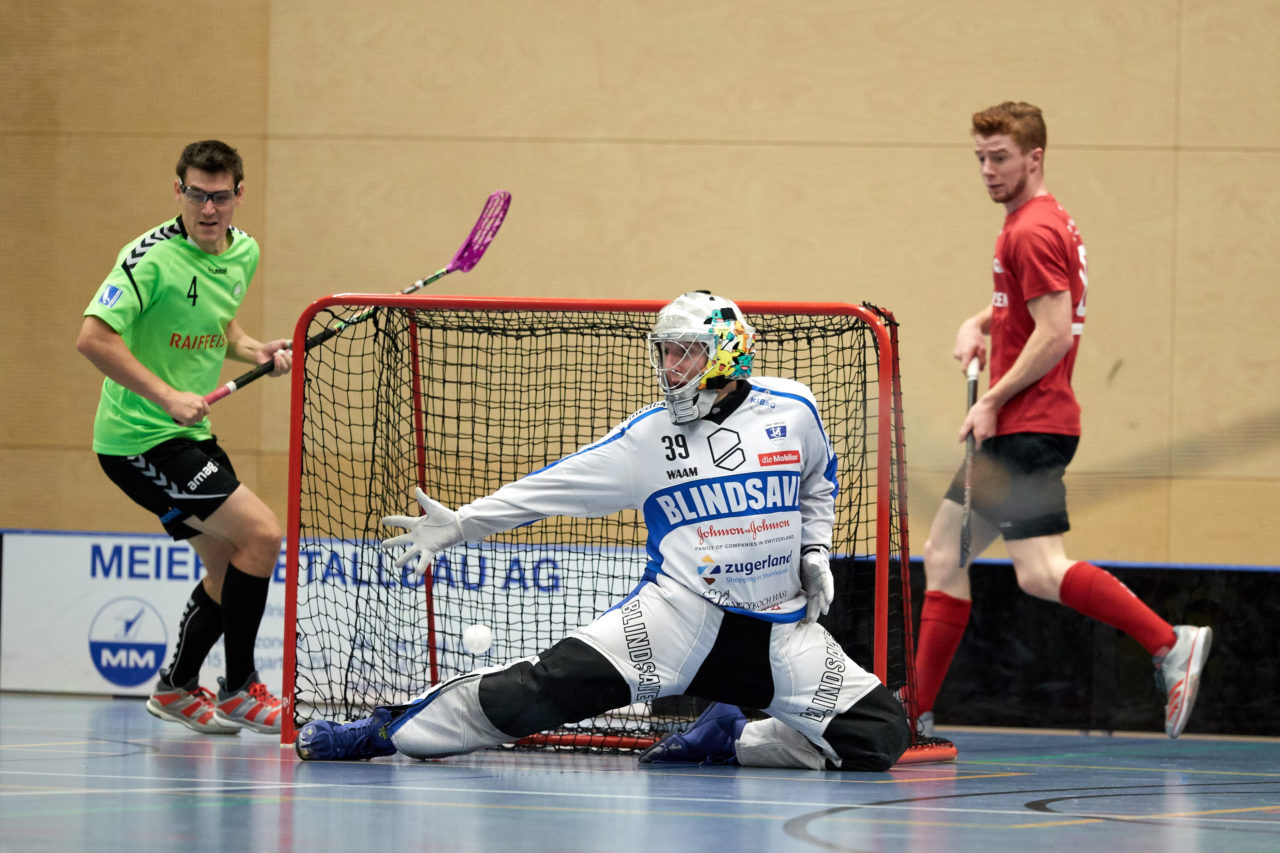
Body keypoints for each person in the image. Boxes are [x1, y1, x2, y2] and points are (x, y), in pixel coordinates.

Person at [296, 291, 911, 770]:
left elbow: (818, 483)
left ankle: (733, 738)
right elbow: (551, 489)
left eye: (685, 352)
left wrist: (814, 549)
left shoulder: (794, 409)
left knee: (882, 736)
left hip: (781, 634)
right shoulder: (647, 438)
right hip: (671, 623)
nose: (670, 367)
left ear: (725, 353)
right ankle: (381, 730)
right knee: (528, 695)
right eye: (664, 352)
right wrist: (461, 524)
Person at [913, 102, 1212, 740]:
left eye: (1000, 158)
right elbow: (1032, 305)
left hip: (1027, 425)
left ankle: (1169, 642)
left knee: (1041, 571)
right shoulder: (1042, 222)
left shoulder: (1030, 230)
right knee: (944, 555)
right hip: (1022, 424)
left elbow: (1052, 334)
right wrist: (978, 322)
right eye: (980, 158)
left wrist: (991, 400)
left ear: (1035, 157)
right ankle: (915, 714)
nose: (988, 170)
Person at [76, 140, 290, 735]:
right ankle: (240, 688)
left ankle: (175, 687)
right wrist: (166, 396)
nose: (208, 208)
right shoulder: (147, 259)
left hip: (188, 434)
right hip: (137, 439)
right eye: (196, 194)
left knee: (227, 560)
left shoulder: (243, 252)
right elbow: (93, 338)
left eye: (220, 197)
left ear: (239, 195)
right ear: (179, 190)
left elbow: (218, 324)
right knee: (261, 534)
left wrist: (254, 350)